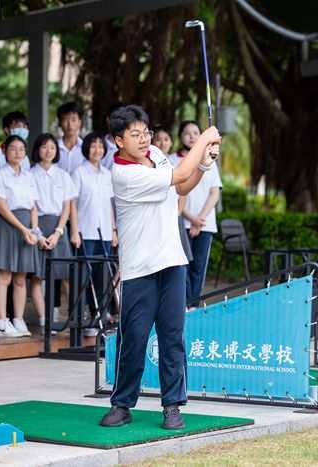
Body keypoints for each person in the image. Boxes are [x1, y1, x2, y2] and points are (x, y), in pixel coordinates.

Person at [99, 105, 220, 430]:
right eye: (135, 134)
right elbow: (178, 176)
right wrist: (204, 138)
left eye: (146, 132)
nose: (144, 139)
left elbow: (181, 187)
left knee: (172, 337)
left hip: (172, 261)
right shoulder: (123, 173)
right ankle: (122, 404)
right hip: (139, 268)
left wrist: (203, 165)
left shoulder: (155, 154)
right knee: (133, 338)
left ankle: (172, 405)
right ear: (118, 140)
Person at [0, 135, 42, 338]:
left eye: (21, 149)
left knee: (21, 278)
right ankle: (2, 322)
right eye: (13, 149)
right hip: (9, 226)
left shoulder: (29, 176)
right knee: (4, 276)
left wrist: (33, 230)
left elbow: (33, 206)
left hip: (27, 228)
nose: (17, 153)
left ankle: (18, 319)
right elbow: (1, 207)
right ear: (5, 151)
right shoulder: (1, 175)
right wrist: (23, 229)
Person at [70, 132, 118, 336]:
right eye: (93, 146)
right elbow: (72, 203)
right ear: (86, 149)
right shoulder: (79, 172)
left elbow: (109, 205)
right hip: (86, 231)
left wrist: (114, 230)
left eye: (100, 146)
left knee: (103, 276)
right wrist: (74, 230)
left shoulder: (107, 174)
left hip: (104, 232)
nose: (97, 150)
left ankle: (99, 317)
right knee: (84, 277)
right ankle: (82, 318)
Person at [28, 133, 75, 332]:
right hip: (37, 224)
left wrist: (58, 232)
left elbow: (67, 206)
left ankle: (73, 316)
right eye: (44, 147)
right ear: (37, 149)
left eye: (52, 147)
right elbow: (31, 205)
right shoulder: (29, 174)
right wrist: (38, 234)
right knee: (38, 276)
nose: (48, 151)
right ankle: (44, 318)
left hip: (59, 227)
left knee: (66, 274)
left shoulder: (63, 175)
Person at [173, 121, 223, 302]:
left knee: (199, 266)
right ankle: (183, 303)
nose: (192, 137)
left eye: (195, 133)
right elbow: (176, 193)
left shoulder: (209, 157)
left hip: (205, 224)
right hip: (181, 223)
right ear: (180, 136)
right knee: (182, 265)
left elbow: (214, 192)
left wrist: (199, 219)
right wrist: (190, 218)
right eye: (187, 133)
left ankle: (194, 303)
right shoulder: (172, 160)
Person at [56, 102, 85, 174]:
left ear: (80, 122)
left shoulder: (86, 148)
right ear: (60, 123)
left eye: (73, 120)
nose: (70, 125)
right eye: (65, 120)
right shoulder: (54, 148)